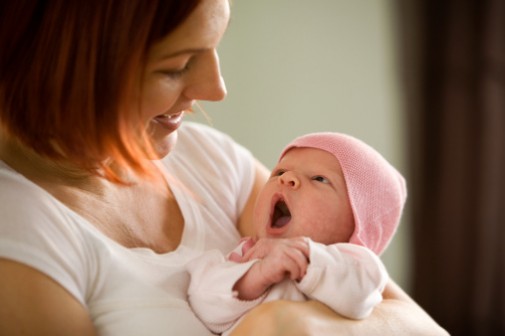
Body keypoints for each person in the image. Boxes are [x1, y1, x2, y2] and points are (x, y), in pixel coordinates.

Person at [0, 1, 449, 335]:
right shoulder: (20, 233)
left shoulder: (209, 161)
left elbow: (424, 329)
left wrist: (286, 323)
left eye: (215, 47)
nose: (216, 89)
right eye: (176, 66)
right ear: (61, 67)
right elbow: (215, 293)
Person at [187, 132, 406, 335]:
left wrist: (306, 258)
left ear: (357, 223)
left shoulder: (357, 265)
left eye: (319, 179)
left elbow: (359, 297)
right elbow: (205, 306)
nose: (287, 178)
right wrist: (253, 277)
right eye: (279, 172)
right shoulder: (245, 257)